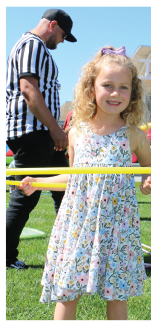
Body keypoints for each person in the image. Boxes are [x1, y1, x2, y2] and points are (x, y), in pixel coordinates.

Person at [18, 45, 151, 320]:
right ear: (91, 87)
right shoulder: (77, 132)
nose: (116, 93)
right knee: (68, 290)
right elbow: (74, 179)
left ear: (133, 93)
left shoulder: (134, 134)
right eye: (107, 85)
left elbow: (150, 167)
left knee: (117, 292)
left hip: (117, 224)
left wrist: (149, 180)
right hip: (78, 222)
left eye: (123, 87)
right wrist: (39, 183)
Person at [6, 9, 77, 270]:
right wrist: (56, 129)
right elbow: (28, 89)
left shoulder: (34, 47)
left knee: (65, 190)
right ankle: (6, 255)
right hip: (33, 132)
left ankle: (70, 250)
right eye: (62, 35)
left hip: (40, 132)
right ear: (53, 25)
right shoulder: (32, 44)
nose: (61, 41)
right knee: (26, 196)